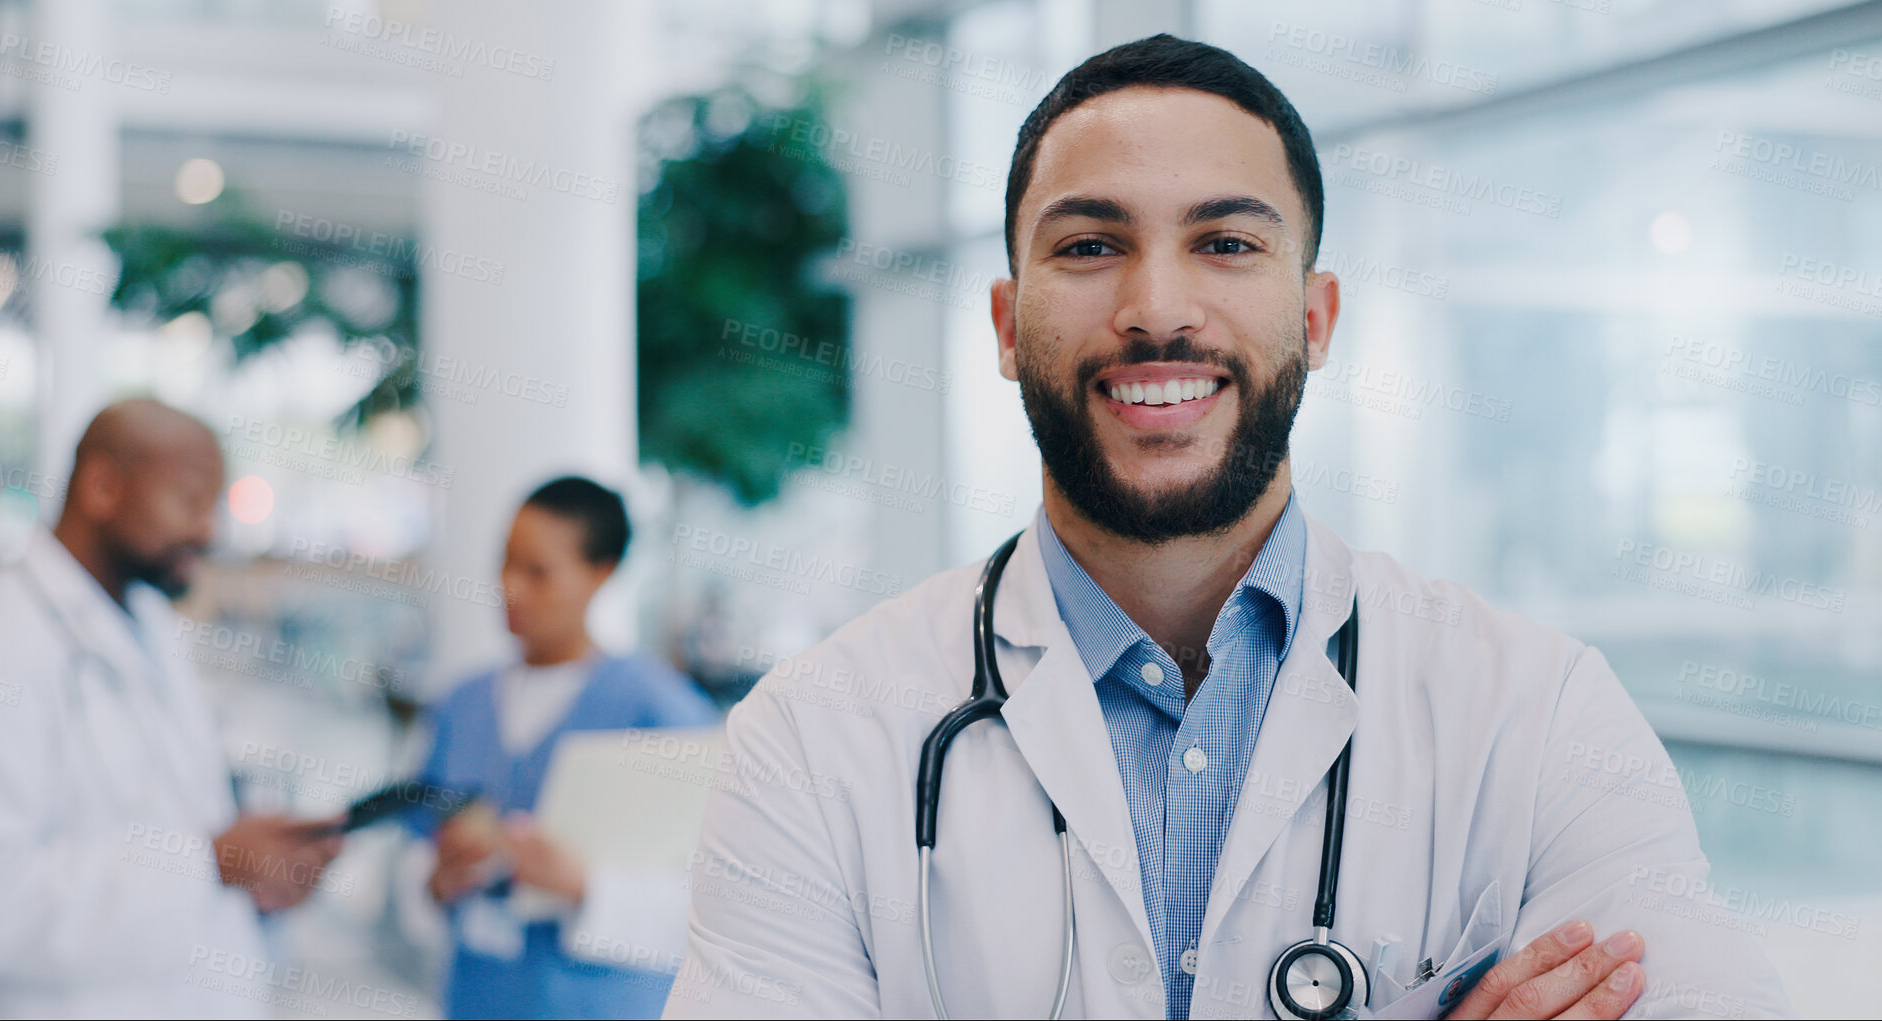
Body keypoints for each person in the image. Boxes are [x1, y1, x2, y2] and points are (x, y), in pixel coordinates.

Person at [664, 36, 1791, 1021]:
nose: (1157, 306)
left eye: (1227, 244)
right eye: (1091, 246)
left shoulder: (1536, 714)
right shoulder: (814, 740)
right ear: (1008, 324)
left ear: (1316, 316)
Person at [0, 398, 344, 1017]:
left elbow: (172, 817)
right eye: (190, 500)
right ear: (101, 486)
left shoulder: (149, 622)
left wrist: (254, 867)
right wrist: (214, 863)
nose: (209, 531)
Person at [411, 476, 720, 1019]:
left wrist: (583, 886)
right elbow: (414, 850)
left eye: (538, 572)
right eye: (505, 563)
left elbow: (708, 909)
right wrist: (439, 877)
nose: (511, 588)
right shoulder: (461, 705)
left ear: (601, 574)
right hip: (477, 997)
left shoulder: (662, 713)